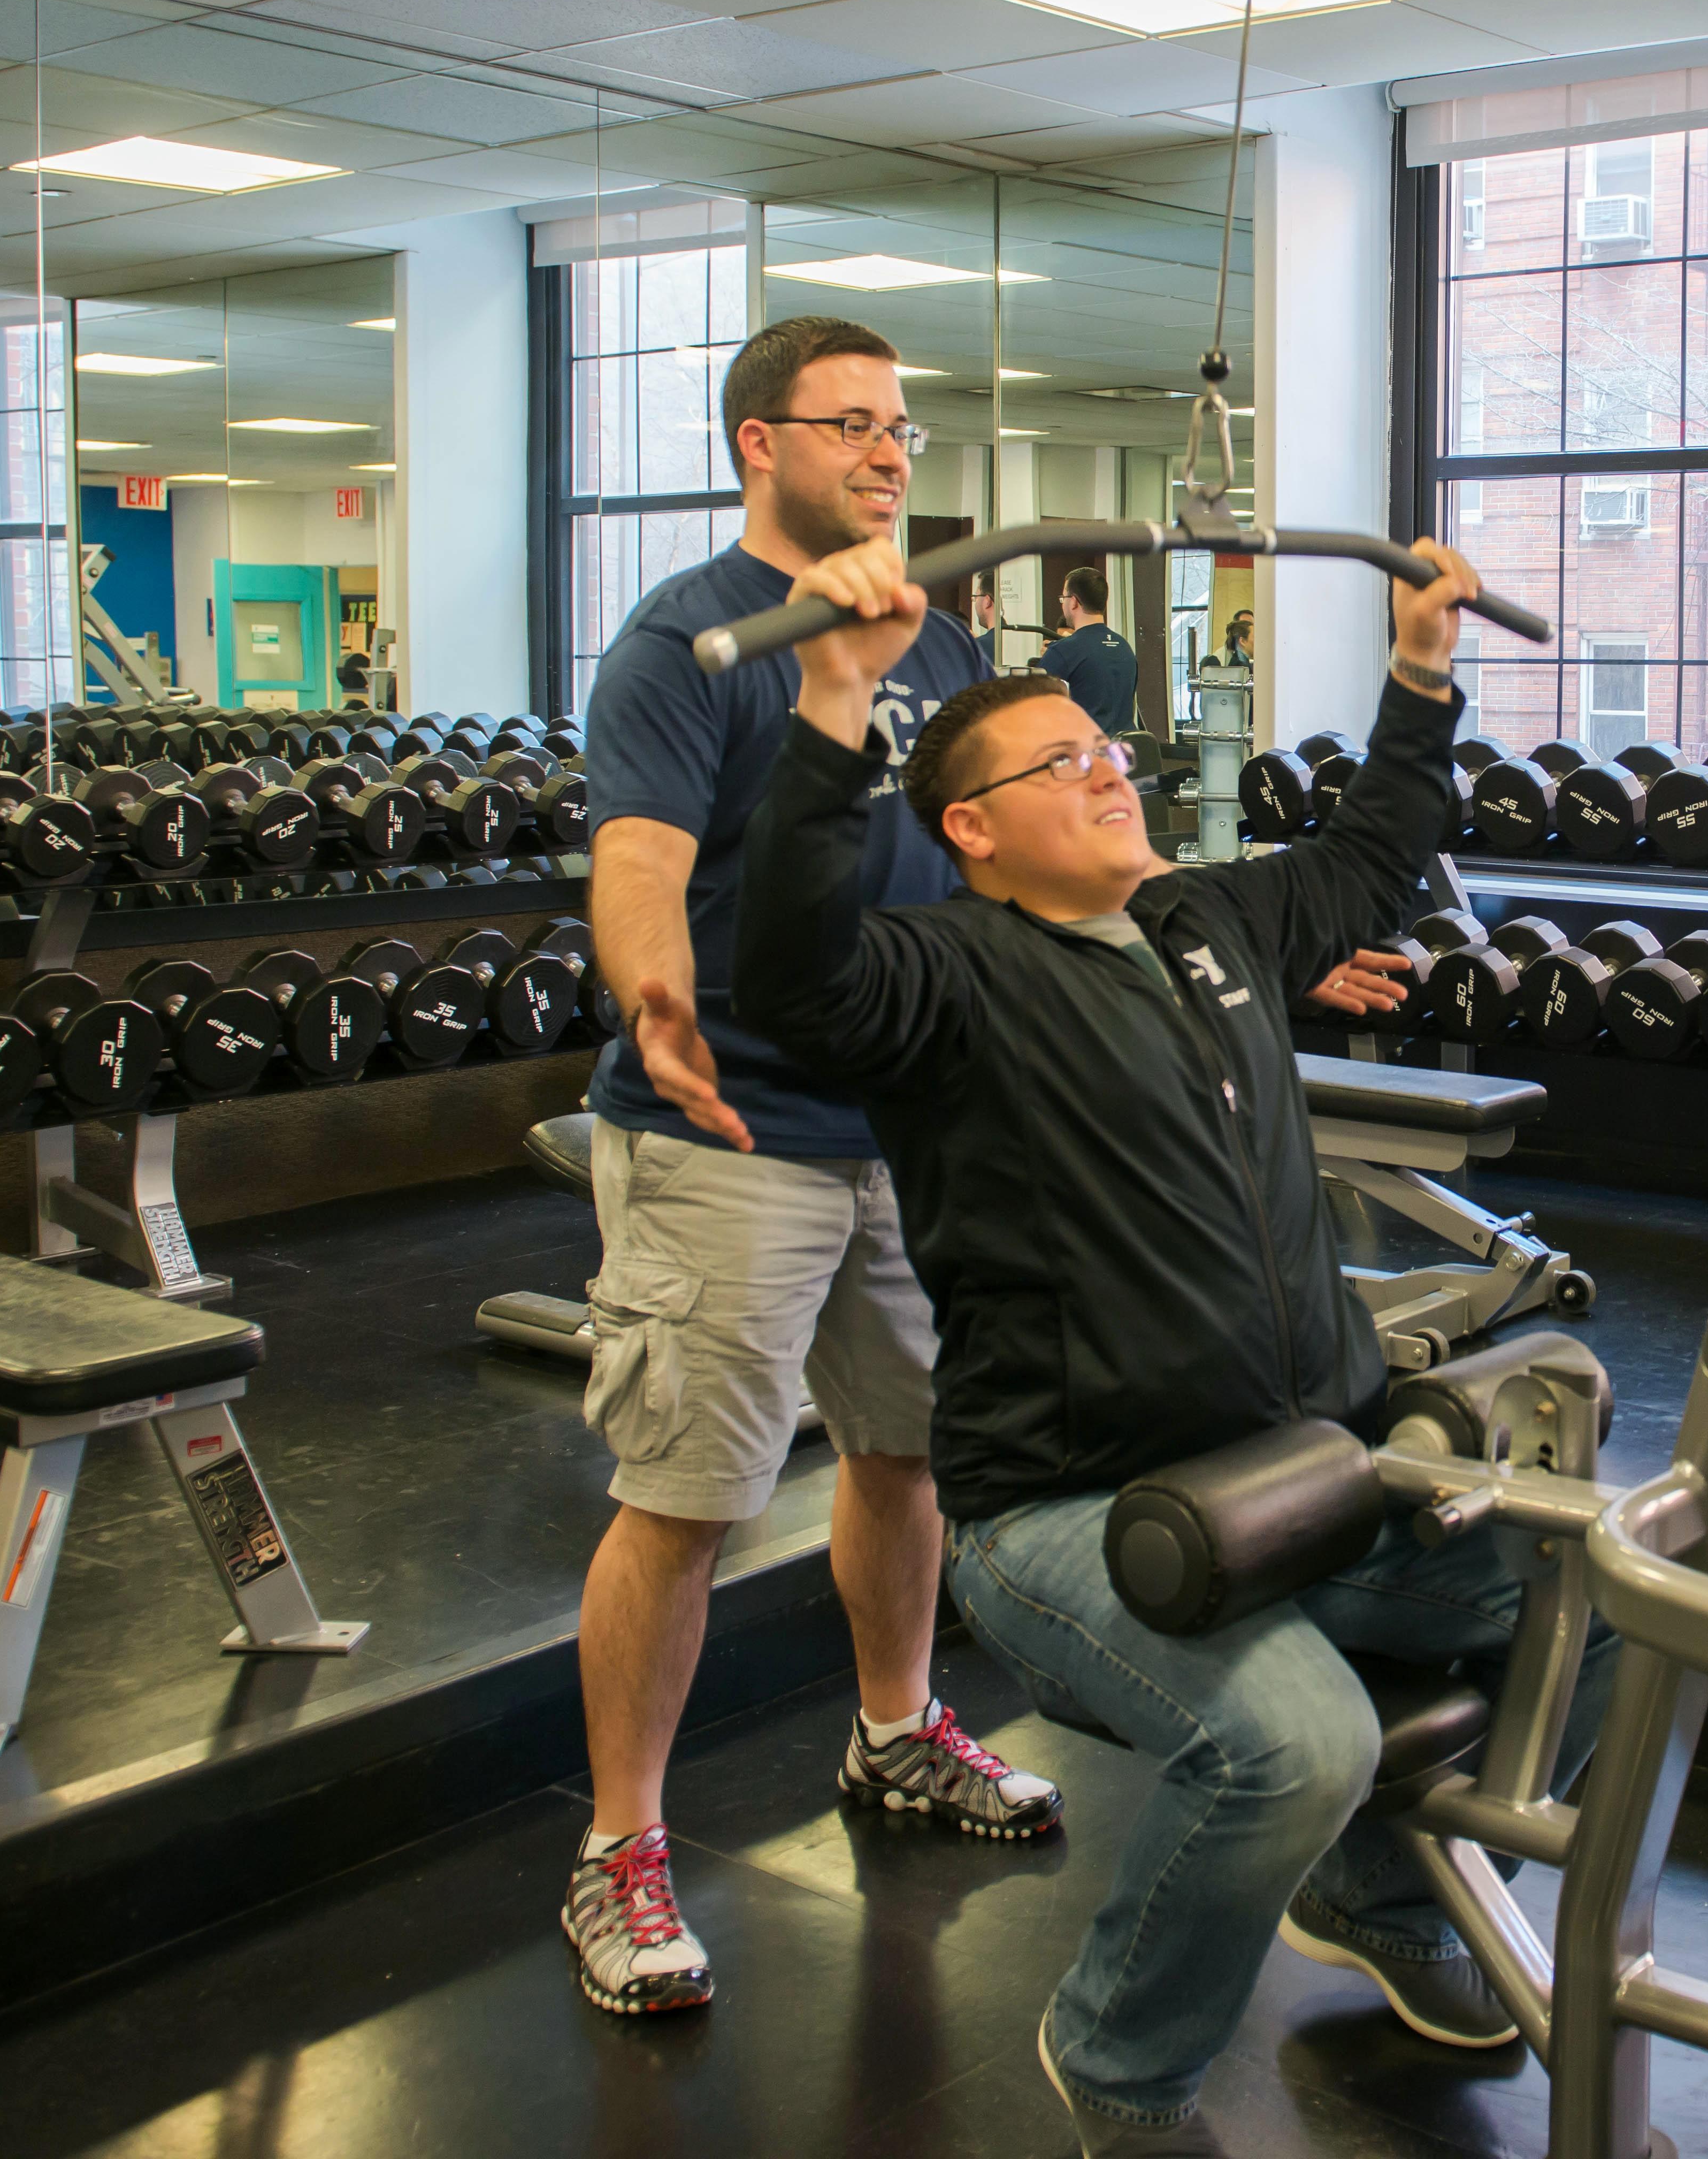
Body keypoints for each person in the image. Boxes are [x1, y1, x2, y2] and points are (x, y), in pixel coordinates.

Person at [738, 536, 1612, 2159]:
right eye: (1060, 760)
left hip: (1309, 1469)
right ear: (971, 828)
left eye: (1106, 747)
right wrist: (835, 695)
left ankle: (1376, 1887)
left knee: (1609, 1600)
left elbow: (1373, 850)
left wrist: (1421, 666)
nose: (1108, 768)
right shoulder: (943, 978)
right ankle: (1120, 2063)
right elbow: (789, 968)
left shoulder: (1206, 918)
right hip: (1071, 1503)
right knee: (1299, 1740)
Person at [559, 313, 1062, 2022]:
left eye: (899, 424)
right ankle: (622, 1843)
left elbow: (994, 851)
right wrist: (653, 989)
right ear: (756, 443)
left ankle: (894, 1727)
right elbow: (638, 856)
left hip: (906, 1122)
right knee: (689, 1497)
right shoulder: (689, 639)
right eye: (850, 422)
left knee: (904, 1450)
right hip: (731, 1127)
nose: (889, 450)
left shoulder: (934, 638)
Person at [1038, 566, 1140, 735]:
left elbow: (1035, 709)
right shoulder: (1125, 648)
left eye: (1064, 598)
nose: (1063, 604)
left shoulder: (1063, 651)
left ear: (1074, 602)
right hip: (1125, 749)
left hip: (1089, 748)